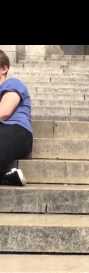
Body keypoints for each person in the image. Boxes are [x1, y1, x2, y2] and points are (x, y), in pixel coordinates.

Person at [0, 49, 32, 186]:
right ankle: (6, 177)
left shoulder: (12, 83)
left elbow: (4, 112)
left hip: (16, 130)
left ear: (4, 68)